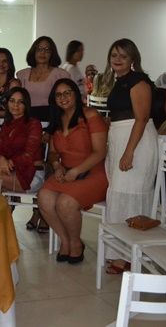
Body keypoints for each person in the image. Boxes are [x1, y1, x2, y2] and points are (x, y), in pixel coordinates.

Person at [103, 39, 158, 274]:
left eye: (123, 56)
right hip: (121, 138)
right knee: (119, 194)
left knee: (130, 195)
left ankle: (128, 255)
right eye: (114, 55)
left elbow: (142, 118)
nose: (117, 59)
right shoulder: (120, 81)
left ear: (132, 59)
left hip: (137, 143)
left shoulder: (138, 81)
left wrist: (129, 152)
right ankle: (120, 251)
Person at [39, 79, 108, 264]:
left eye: (67, 92)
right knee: (44, 198)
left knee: (65, 203)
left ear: (76, 94)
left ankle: (76, 243)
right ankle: (65, 240)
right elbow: (53, 153)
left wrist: (76, 171)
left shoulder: (90, 115)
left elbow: (100, 152)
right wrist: (57, 166)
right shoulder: (57, 120)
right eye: (58, 95)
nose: (63, 97)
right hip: (67, 172)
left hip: (93, 173)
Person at [0, 87, 43, 192]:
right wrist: (1, 159)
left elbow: (28, 156)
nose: (15, 105)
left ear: (26, 104)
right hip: (9, 170)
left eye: (20, 102)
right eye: (12, 101)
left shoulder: (34, 124)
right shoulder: (7, 124)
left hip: (30, 174)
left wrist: (3, 164)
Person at [16, 36, 70, 121]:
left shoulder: (61, 74)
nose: (43, 52)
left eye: (47, 50)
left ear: (52, 53)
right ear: (34, 52)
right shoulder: (22, 74)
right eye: (39, 49)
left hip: (52, 120)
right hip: (26, 120)